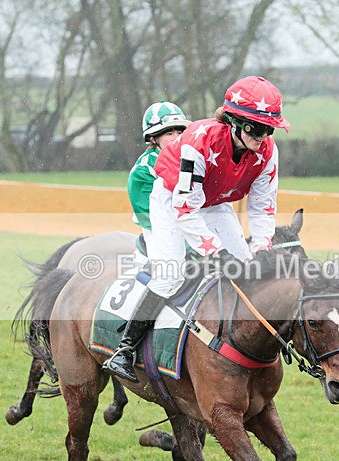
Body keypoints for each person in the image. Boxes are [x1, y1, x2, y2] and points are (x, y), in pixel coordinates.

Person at [102, 76, 290, 382]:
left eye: (269, 129)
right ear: (233, 122)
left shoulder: (268, 152)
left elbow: (262, 207)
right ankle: (124, 350)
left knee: (249, 269)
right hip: (171, 201)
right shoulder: (198, 142)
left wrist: (262, 248)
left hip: (215, 201)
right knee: (171, 273)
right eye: (256, 128)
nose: (263, 136)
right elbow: (185, 209)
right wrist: (214, 252)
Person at [128, 101, 191, 253]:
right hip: (160, 234)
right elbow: (152, 219)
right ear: (152, 138)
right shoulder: (143, 170)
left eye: (180, 132)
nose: (176, 138)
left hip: (192, 227)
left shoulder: (192, 159)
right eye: (169, 133)